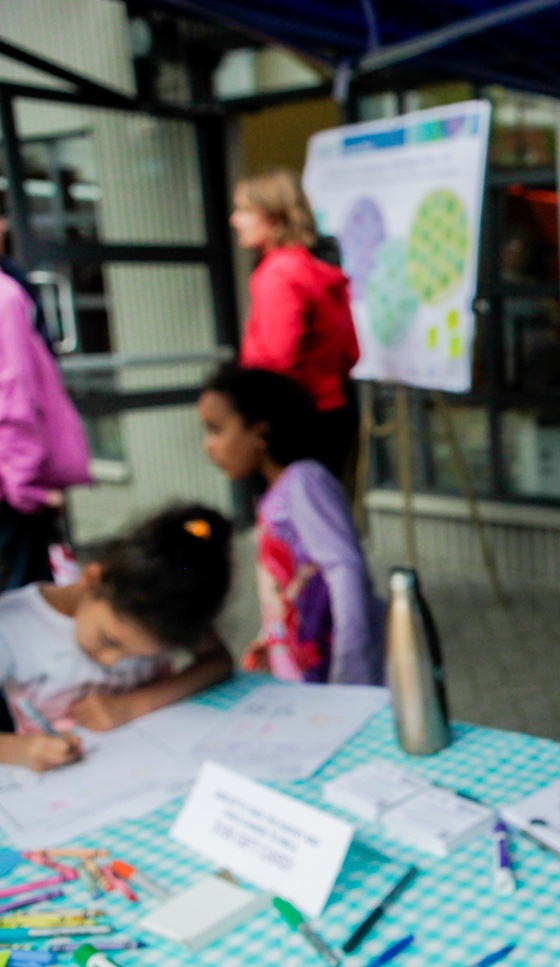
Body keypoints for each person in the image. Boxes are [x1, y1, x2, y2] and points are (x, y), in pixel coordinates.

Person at [0, 503, 235, 773]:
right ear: (91, 578)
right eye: (110, 640)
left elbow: (218, 661)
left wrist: (135, 705)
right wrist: (21, 750)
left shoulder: (169, 615)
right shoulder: (13, 625)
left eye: (142, 656)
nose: (111, 662)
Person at [197, 366, 383, 686]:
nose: (208, 445)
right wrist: (271, 638)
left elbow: (345, 570)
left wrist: (351, 672)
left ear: (259, 431)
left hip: (336, 676)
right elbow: (287, 587)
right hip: (307, 675)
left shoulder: (305, 482)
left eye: (216, 430)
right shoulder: (277, 494)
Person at [231, 168, 360, 486]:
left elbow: (272, 370)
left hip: (290, 426)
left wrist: (248, 425)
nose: (235, 220)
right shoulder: (320, 268)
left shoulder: (278, 274)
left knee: (287, 525)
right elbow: (351, 353)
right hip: (332, 414)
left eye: (245, 211)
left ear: (275, 218)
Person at [0, 269, 90, 591]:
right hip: (10, 488)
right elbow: (14, 397)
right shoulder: (5, 297)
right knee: (23, 607)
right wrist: (28, 488)